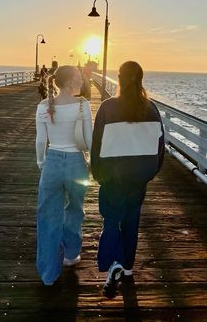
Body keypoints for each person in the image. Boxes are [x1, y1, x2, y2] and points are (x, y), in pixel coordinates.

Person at [91, 61, 164, 298]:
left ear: (119, 78)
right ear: (141, 79)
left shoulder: (107, 107)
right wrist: (151, 172)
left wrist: (97, 172)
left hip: (114, 177)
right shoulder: (151, 108)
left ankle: (115, 263)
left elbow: (97, 145)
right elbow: (160, 147)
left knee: (112, 220)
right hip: (139, 177)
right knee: (132, 222)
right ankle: (128, 268)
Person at [35, 65, 93, 286]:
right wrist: (93, 164)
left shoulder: (43, 106)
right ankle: (70, 254)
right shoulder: (83, 105)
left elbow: (41, 141)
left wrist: (41, 162)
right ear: (69, 82)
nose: (82, 81)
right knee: (75, 209)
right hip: (77, 164)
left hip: (52, 162)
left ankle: (49, 274)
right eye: (79, 78)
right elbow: (89, 140)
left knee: (48, 216)